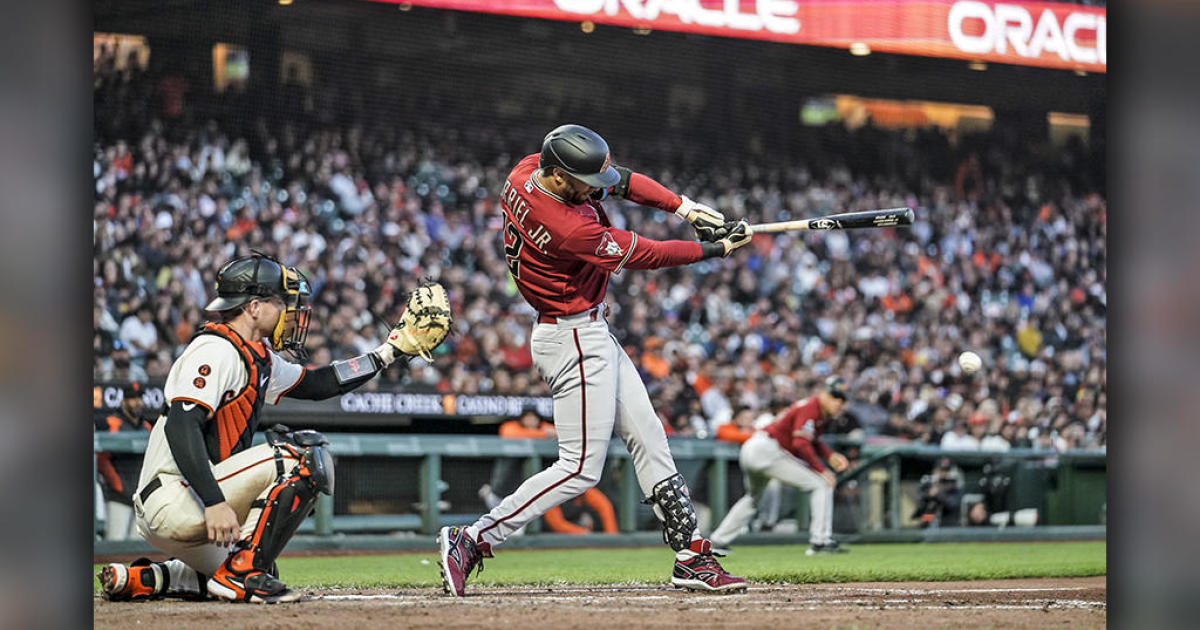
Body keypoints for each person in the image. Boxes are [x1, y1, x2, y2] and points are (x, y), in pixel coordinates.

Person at [438, 124, 752, 596]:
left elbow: (621, 180)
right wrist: (714, 248)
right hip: (572, 337)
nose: (596, 190)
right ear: (559, 176)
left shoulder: (527, 170)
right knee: (580, 466)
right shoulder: (568, 228)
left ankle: (690, 556)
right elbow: (646, 252)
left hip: (585, 330)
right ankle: (474, 538)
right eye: (585, 182)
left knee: (649, 436)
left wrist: (684, 207)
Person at [98, 253, 449, 603]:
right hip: (174, 497)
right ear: (253, 307)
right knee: (303, 458)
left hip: (192, 497)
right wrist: (214, 502)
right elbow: (181, 426)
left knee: (260, 569)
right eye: (280, 301)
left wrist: (388, 353)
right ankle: (238, 573)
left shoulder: (257, 355)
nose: (288, 311)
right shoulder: (215, 349)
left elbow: (318, 384)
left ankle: (151, 577)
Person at [707, 377, 851, 556]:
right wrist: (821, 470)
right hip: (768, 449)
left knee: (753, 497)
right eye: (834, 396)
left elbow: (812, 440)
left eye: (842, 399)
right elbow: (800, 444)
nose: (838, 402)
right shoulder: (811, 408)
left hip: (754, 447)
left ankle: (718, 540)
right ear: (823, 394)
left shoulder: (816, 410)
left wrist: (829, 455)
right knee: (821, 484)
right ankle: (820, 542)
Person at [95, 382, 155, 540]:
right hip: (118, 495)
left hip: (140, 496)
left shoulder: (146, 426)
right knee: (115, 540)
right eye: (132, 399)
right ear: (123, 401)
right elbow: (101, 459)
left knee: (138, 543)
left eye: (139, 398)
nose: (137, 402)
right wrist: (117, 484)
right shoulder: (113, 422)